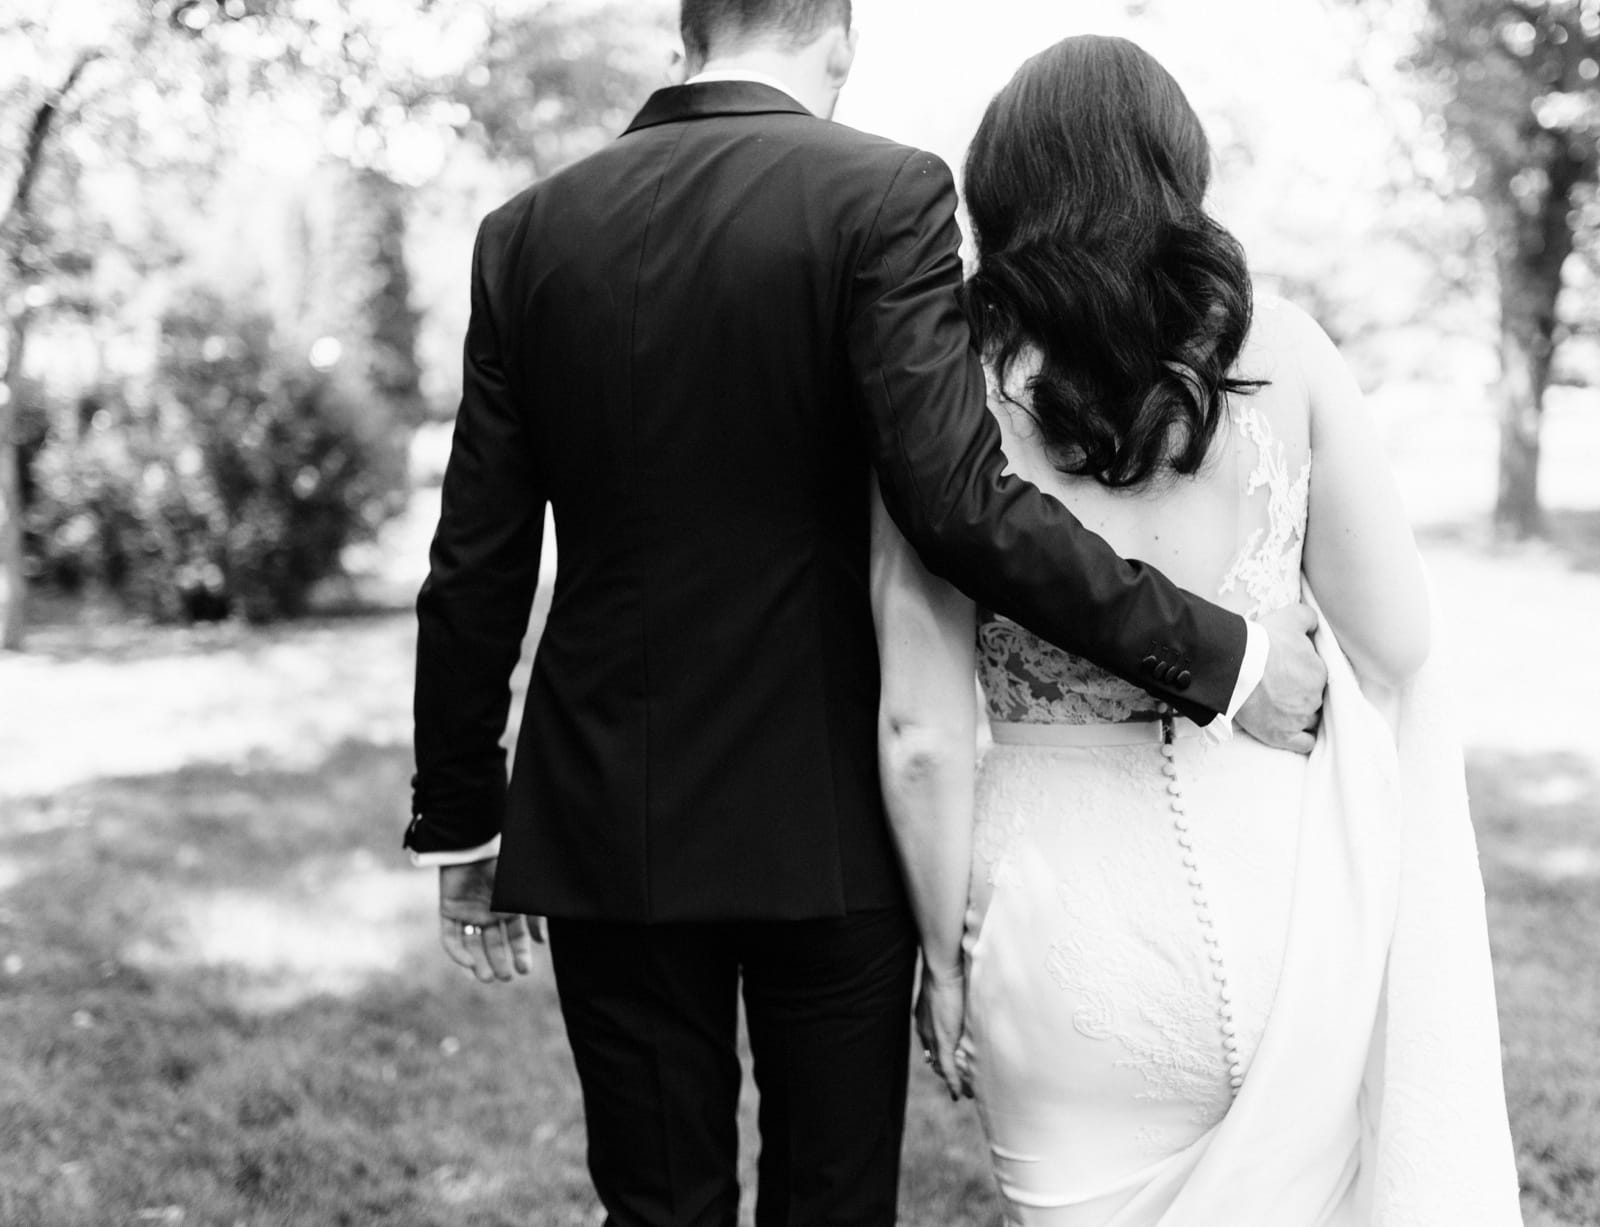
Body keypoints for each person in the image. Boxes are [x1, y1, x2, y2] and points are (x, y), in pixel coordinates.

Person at [406, 4, 1329, 1225]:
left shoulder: (525, 235)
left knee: (654, 1204)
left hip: (602, 807)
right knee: (832, 1202)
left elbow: (476, 558)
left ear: (683, 38)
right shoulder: (882, 196)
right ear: (838, 41)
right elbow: (958, 503)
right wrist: (1219, 651)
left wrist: (462, 820)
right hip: (824, 812)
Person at [878, 36, 1523, 1226]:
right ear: (1178, 175)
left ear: (996, 189)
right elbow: (1400, 636)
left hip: (1054, 928)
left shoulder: (948, 394)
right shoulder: (1282, 350)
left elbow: (918, 731)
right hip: (1281, 894)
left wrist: (941, 959)